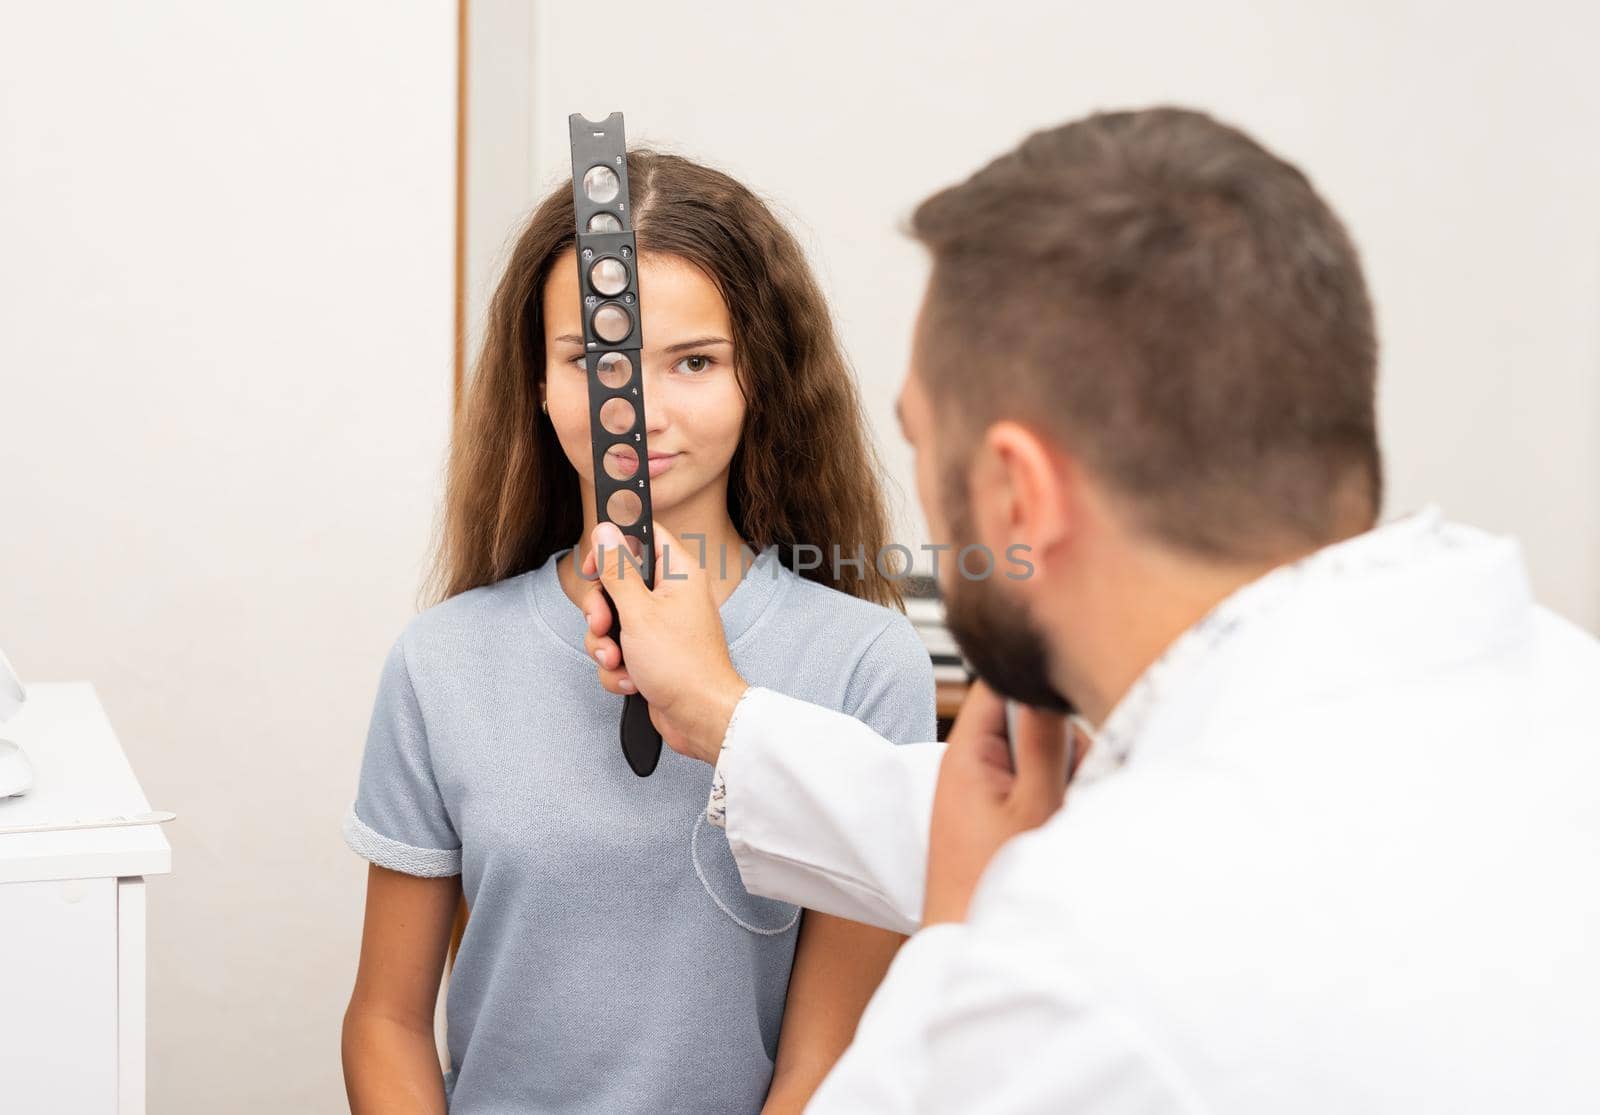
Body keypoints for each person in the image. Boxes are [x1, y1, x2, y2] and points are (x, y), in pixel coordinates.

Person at [579, 108, 1600, 1112]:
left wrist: (949, 941)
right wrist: (717, 709)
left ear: (1020, 494)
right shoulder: (1542, 691)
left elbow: (1053, 911)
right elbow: (1000, 812)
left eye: (923, 441)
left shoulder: (1080, 963)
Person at [340, 151, 935, 1114]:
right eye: (594, 361)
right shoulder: (440, 661)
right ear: (538, 380)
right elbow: (388, 1020)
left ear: (760, 381)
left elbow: (828, 1059)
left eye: (694, 361)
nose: (642, 413)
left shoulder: (866, 665)